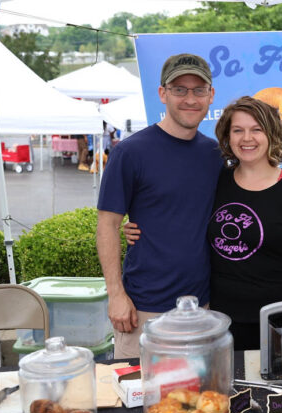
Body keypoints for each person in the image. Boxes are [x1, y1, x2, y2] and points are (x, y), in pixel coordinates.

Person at [125, 97, 282, 351]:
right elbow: (181, 214)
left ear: (272, 134)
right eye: (238, 130)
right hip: (219, 322)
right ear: (227, 137)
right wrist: (139, 226)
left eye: (256, 130)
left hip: (279, 322)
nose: (246, 138)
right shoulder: (216, 182)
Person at [96, 53, 221, 359]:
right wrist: (116, 295)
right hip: (143, 310)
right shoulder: (130, 152)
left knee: (196, 399)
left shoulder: (215, 154)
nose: (189, 99)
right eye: (179, 89)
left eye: (198, 90)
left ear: (210, 95)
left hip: (200, 308)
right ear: (163, 93)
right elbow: (108, 225)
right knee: (139, 401)